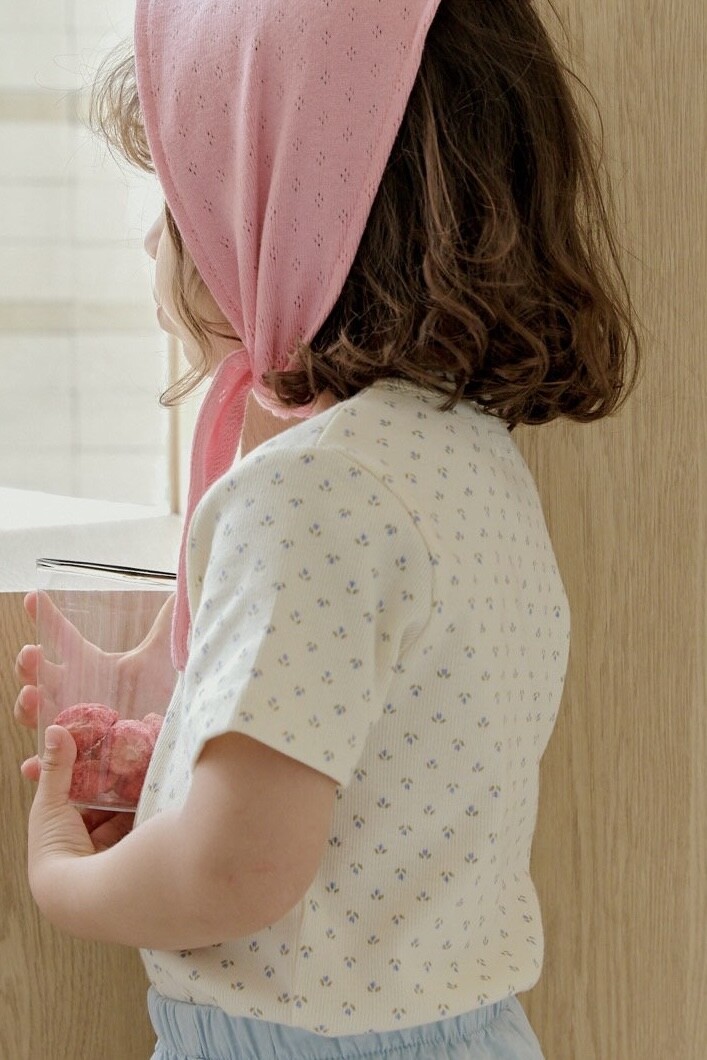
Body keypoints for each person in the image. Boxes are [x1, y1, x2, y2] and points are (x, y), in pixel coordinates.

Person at [14, 0, 643, 1057]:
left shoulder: (309, 492)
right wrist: (180, 739)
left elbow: (234, 874)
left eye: (177, 201)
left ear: (282, 215)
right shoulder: (465, 460)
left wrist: (64, 877)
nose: (153, 240)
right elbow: (369, 783)